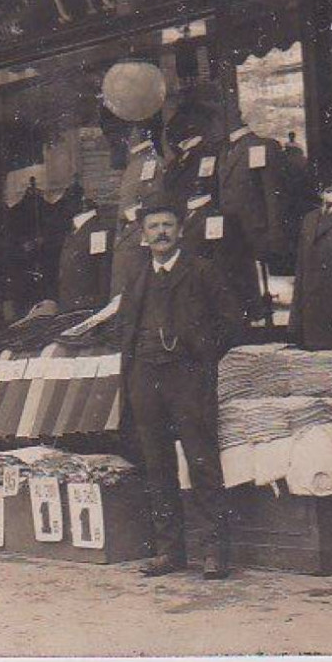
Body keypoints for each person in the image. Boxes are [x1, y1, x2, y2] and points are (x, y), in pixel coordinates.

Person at [118, 192, 243, 579]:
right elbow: (127, 328)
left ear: (180, 230)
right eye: (153, 227)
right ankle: (169, 551)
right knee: (157, 467)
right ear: (143, 234)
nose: (160, 233)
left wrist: (200, 353)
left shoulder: (202, 271)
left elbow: (232, 321)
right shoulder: (138, 278)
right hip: (146, 380)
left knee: (202, 462)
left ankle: (214, 553)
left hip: (188, 380)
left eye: (167, 225)